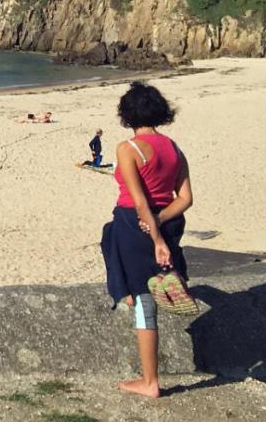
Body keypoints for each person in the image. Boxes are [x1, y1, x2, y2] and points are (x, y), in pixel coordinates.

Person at [99, 82, 194, 399]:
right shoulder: (175, 149)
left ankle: (149, 381)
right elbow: (185, 199)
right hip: (168, 221)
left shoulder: (129, 149)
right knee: (110, 239)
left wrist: (155, 236)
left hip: (134, 225)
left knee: (144, 304)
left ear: (126, 115)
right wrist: (163, 222)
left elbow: (139, 202)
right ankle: (129, 287)